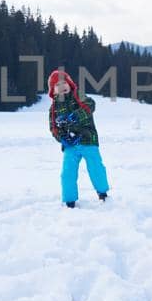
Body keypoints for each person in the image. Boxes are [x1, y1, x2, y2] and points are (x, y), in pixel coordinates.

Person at [48, 68, 109, 208]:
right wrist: (63, 138)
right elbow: (53, 129)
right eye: (57, 85)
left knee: (95, 167)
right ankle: (69, 201)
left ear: (69, 84)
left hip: (88, 139)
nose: (61, 86)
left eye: (64, 83)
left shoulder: (78, 96)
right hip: (70, 145)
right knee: (67, 172)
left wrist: (75, 116)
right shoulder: (53, 110)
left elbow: (90, 105)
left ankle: (103, 193)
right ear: (53, 90)